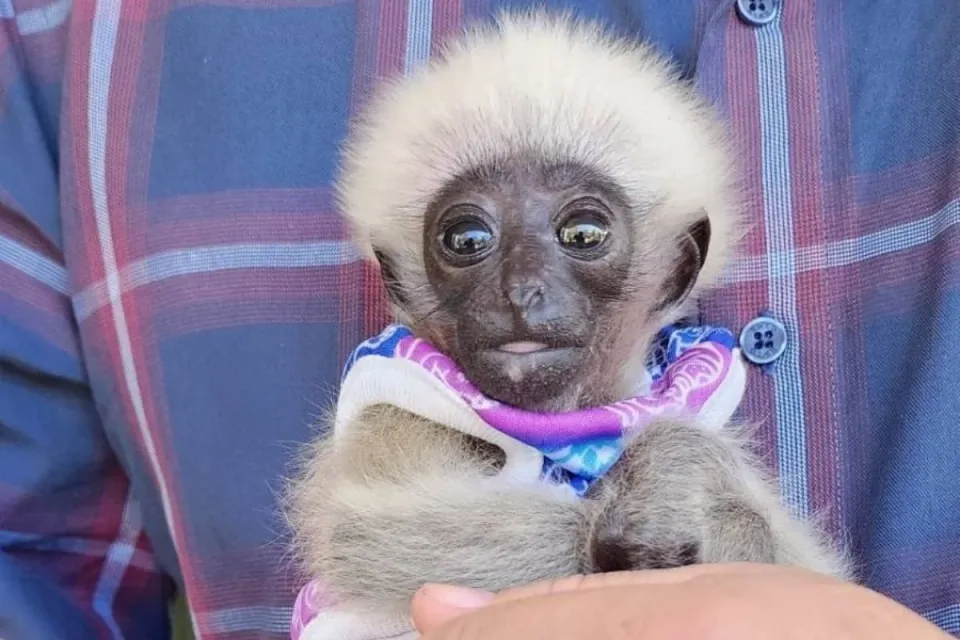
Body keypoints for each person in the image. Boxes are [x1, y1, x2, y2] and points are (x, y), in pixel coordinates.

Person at [0, 0, 956, 638]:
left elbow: (795, 575)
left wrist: (696, 495)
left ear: (676, 267)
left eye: (584, 234)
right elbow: (377, 547)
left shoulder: (682, 419)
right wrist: (609, 547)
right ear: (401, 280)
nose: (523, 287)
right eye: (468, 240)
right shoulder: (410, 407)